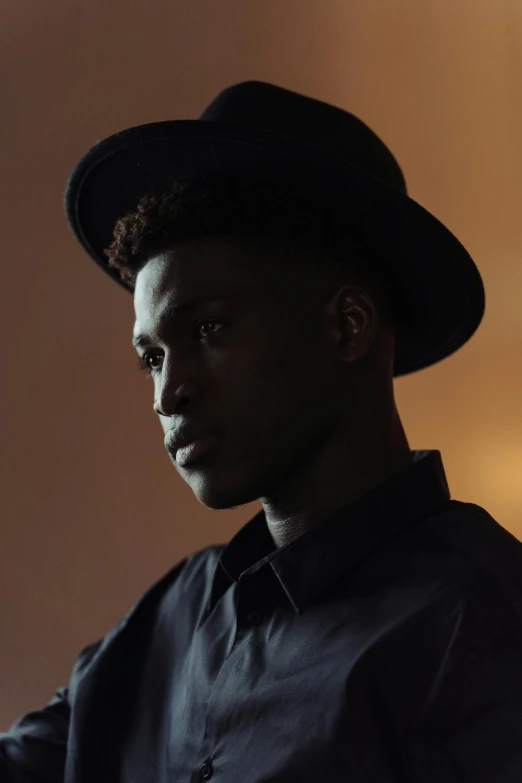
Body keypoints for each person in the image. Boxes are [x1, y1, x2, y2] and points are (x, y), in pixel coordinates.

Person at [2, 80, 521, 782]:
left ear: (348, 325)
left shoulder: (481, 619)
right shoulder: (178, 614)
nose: (168, 390)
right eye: (151, 356)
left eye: (208, 328)